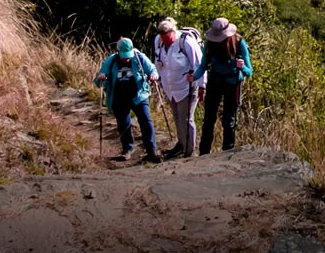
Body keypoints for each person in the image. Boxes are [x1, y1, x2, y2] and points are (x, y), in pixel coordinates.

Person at [95, 37, 162, 163]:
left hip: (139, 95)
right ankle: (127, 149)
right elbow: (101, 73)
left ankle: (152, 151)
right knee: (123, 124)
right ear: (118, 51)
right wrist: (102, 76)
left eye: (128, 55)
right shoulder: (112, 60)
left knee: (146, 121)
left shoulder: (139, 57)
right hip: (119, 97)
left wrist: (153, 75)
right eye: (124, 56)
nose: (126, 58)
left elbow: (152, 69)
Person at [193, 17, 252, 155]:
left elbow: (249, 71)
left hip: (232, 83)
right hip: (215, 81)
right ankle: (204, 152)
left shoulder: (238, 42)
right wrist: (192, 77)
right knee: (209, 118)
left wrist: (242, 67)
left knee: (229, 119)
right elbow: (203, 66)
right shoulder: (209, 44)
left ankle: (227, 151)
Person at [153, 17, 206, 158]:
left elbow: (199, 64)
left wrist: (202, 86)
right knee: (177, 116)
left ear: (173, 32)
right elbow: (158, 62)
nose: (164, 40)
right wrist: (156, 77)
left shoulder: (185, 42)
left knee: (187, 118)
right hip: (170, 88)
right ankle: (182, 144)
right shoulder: (158, 41)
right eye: (162, 37)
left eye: (167, 37)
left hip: (186, 87)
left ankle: (190, 151)